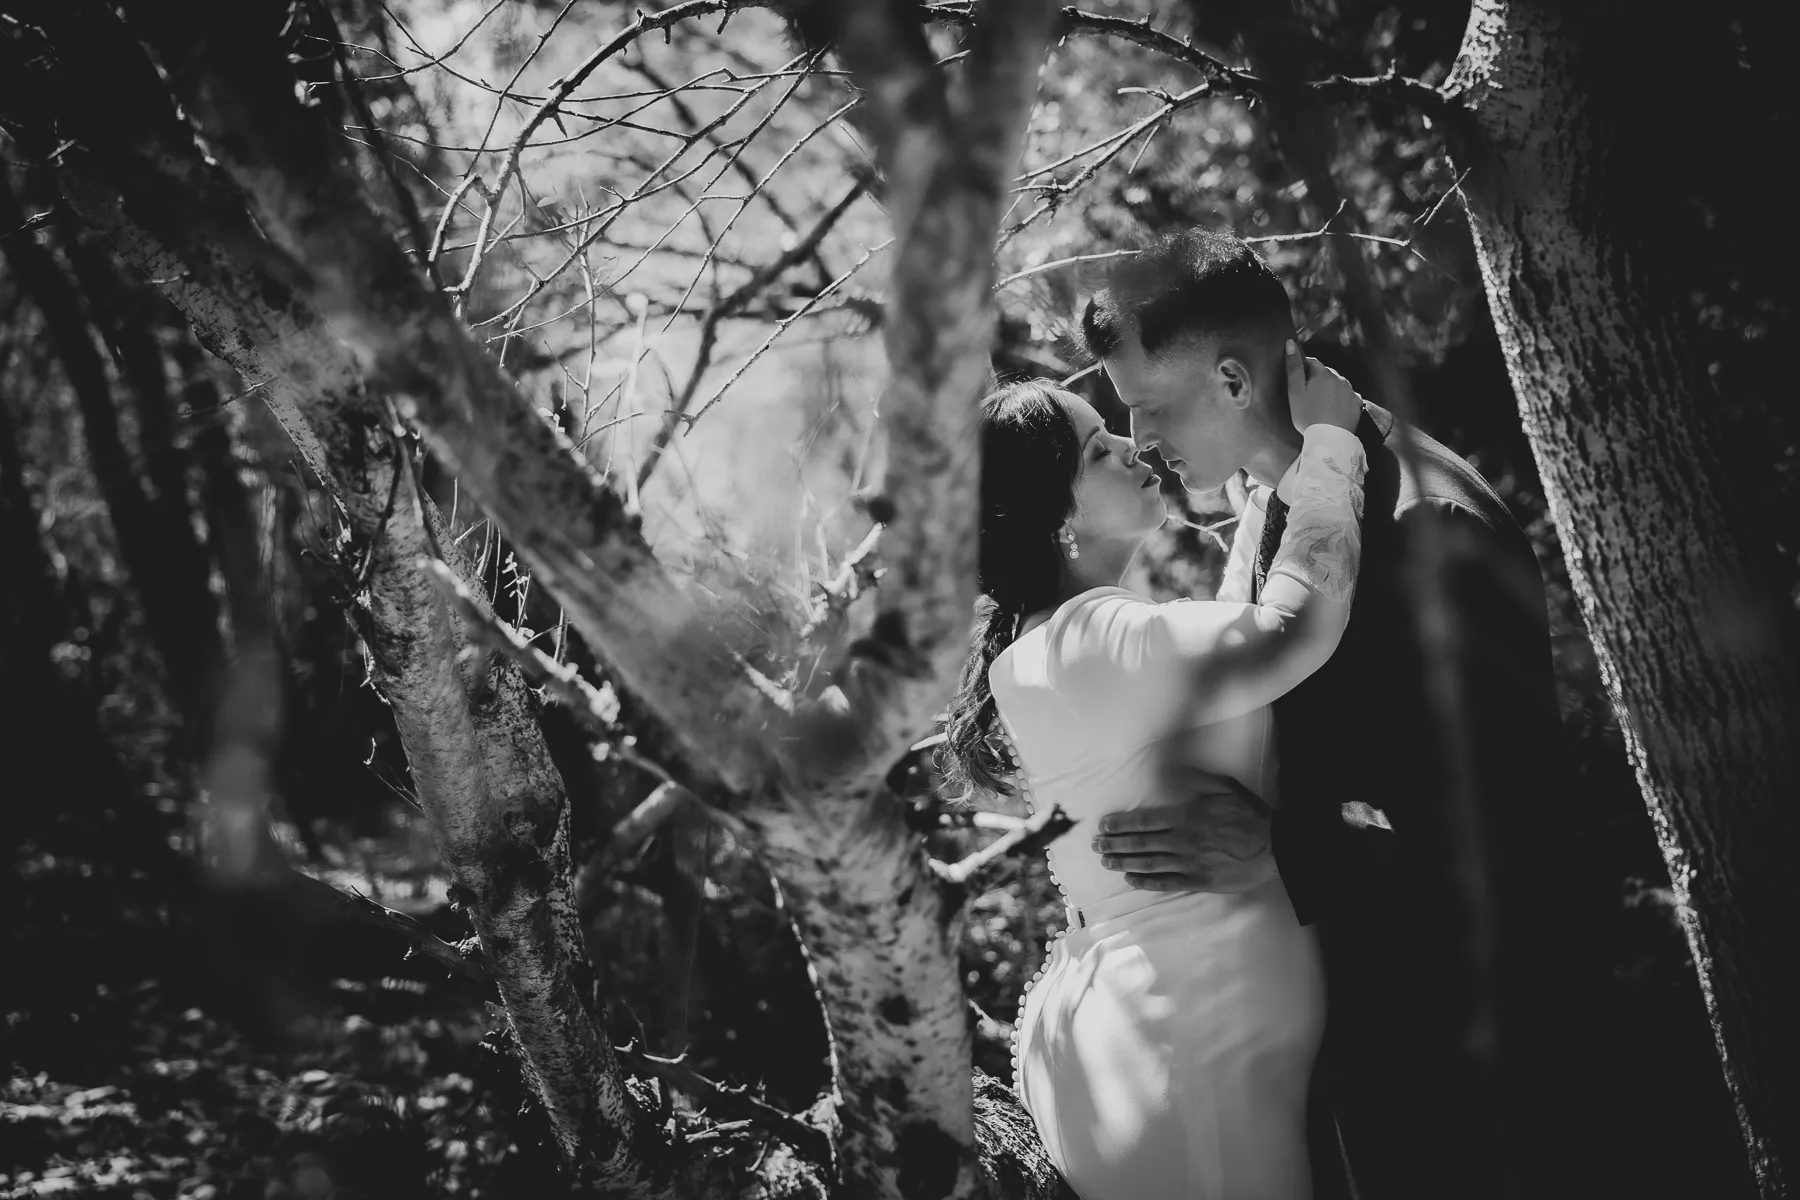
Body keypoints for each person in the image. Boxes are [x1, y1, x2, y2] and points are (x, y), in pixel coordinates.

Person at [1081, 228, 1592, 1198]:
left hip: (1473, 1069)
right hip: (1367, 1052)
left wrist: (1278, 846)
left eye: (1148, 409)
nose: (1141, 443)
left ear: (1233, 382)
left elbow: (1510, 817)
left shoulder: (1427, 528)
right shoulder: (1284, 510)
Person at [940, 344, 1368, 1199]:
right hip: (1189, 1059)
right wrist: (1332, 446)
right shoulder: (1092, 635)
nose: (1131, 447)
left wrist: (1258, 495)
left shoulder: (1051, 642)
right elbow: (1291, 630)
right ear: (1051, 511)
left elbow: (1223, 626)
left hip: (1147, 1036)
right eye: (1097, 448)